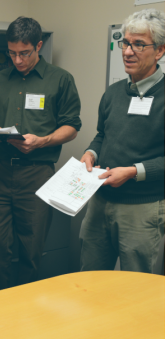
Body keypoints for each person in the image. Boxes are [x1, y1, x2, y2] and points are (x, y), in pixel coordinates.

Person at [0, 16, 81, 291]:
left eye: (24, 53)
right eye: (12, 53)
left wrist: (41, 141)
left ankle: (26, 317)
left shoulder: (60, 80)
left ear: (38, 46)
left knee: (31, 250)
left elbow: (72, 127)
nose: (18, 60)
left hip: (37, 174)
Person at [79, 9, 164, 273]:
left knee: (137, 291)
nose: (128, 51)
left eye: (139, 44)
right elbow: (102, 134)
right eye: (125, 43)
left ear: (160, 51)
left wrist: (133, 172)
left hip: (143, 208)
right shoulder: (114, 92)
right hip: (100, 202)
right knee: (89, 281)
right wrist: (91, 152)